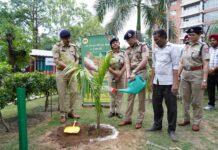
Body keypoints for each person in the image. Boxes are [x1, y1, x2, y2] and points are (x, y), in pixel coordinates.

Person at [147, 29, 180, 142]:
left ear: (164, 37)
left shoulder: (172, 48)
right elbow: (154, 66)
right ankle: (157, 125)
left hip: (169, 83)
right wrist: (151, 81)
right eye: (154, 39)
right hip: (157, 82)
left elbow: (176, 67)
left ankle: (171, 129)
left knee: (171, 107)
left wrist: (175, 84)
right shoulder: (155, 50)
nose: (156, 42)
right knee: (156, 105)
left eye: (157, 39)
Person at [178, 26, 210, 131]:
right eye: (189, 35)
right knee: (185, 98)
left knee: (197, 100)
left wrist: (204, 80)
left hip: (197, 74)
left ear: (199, 35)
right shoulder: (186, 46)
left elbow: (205, 64)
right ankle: (186, 118)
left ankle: (196, 121)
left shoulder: (203, 46)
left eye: (193, 35)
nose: (190, 37)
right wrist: (178, 75)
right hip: (185, 75)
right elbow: (182, 62)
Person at [118, 30, 149, 129]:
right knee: (130, 97)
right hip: (131, 74)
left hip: (141, 73)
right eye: (127, 41)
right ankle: (128, 118)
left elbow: (144, 60)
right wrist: (128, 74)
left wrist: (134, 71)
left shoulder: (143, 46)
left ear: (135, 37)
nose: (129, 42)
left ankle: (139, 120)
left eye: (130, 39)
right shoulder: (127, 50)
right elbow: (127, 63)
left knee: (141, 98)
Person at [52, 29, 80, 123]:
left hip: (72, 72)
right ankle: (62, 114)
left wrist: (75, 65)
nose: (68, 40)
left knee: (74, 91)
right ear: (61, 38)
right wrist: (67, 67)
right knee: (62, 94)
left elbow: (77, 58)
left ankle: (71, 112)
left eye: (68, 38)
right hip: (61, 73)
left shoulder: (73, 47)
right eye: (65, 39)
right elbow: (56, 60)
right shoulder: (57, 47)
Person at [107, 37, 126, 118]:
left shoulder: (123, 53)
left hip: (121, 75)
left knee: (120, 94)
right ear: (111, 45)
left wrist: (120, 73)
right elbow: (107, 65)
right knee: (112, 94)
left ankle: (118, 112)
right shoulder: (108, 54)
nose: (115, 43)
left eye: (116, 42)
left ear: (119, 44)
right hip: (111, 75)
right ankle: (112, 111)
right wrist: (115, 73)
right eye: (113, 43)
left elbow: (126, 64)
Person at [204, 34, 218, 110]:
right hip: (210, 73)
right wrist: (209, 70)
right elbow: (206, 60)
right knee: (210, 89)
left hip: (217, 72)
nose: (212, 42)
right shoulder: (209, 50)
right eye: (211, 40)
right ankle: (211, 105)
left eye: (214, 40)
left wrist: (213, 69)